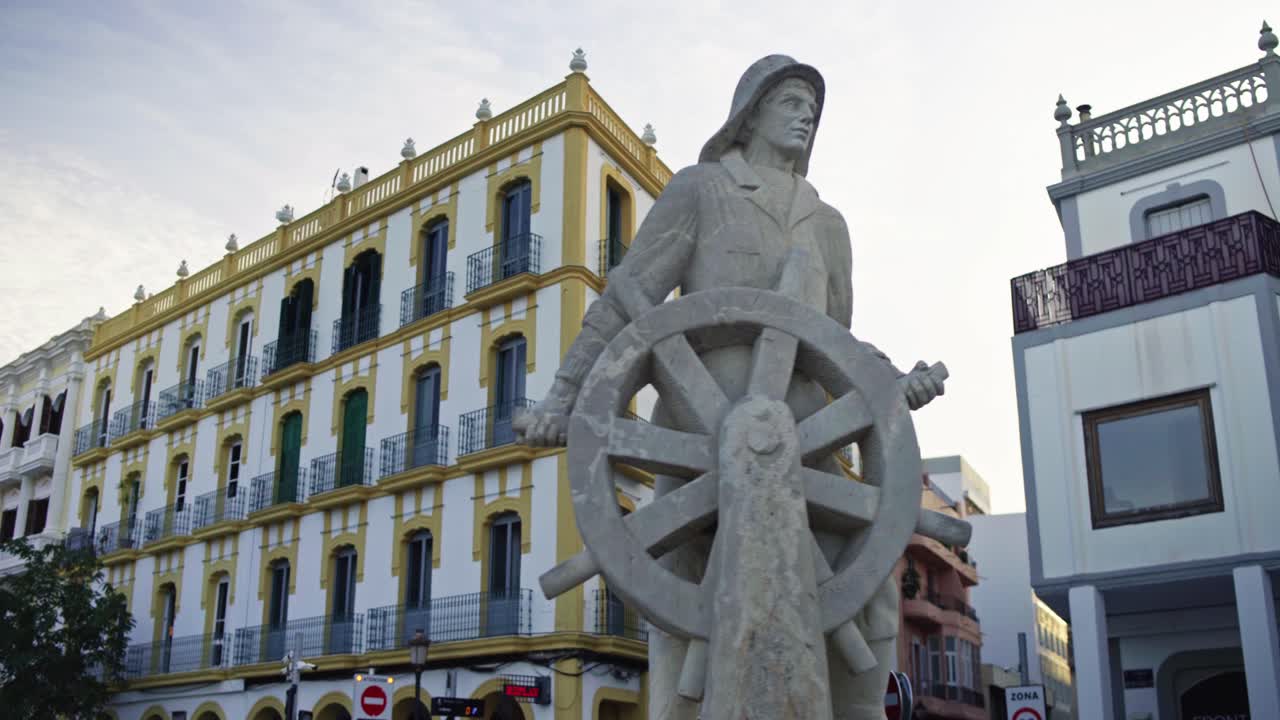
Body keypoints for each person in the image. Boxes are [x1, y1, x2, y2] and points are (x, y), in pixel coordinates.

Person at [517, 55, 944, 719]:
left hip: (806, 440)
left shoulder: (827, 224)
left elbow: (840, 342)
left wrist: (891, 384)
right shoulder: (701, 190)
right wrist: (561, 397)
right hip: (695, 436)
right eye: (791, 101)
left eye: (813, 107)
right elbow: (624, 303)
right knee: (682, 601)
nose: (806, 115)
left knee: (866, 586)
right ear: (749, 113)